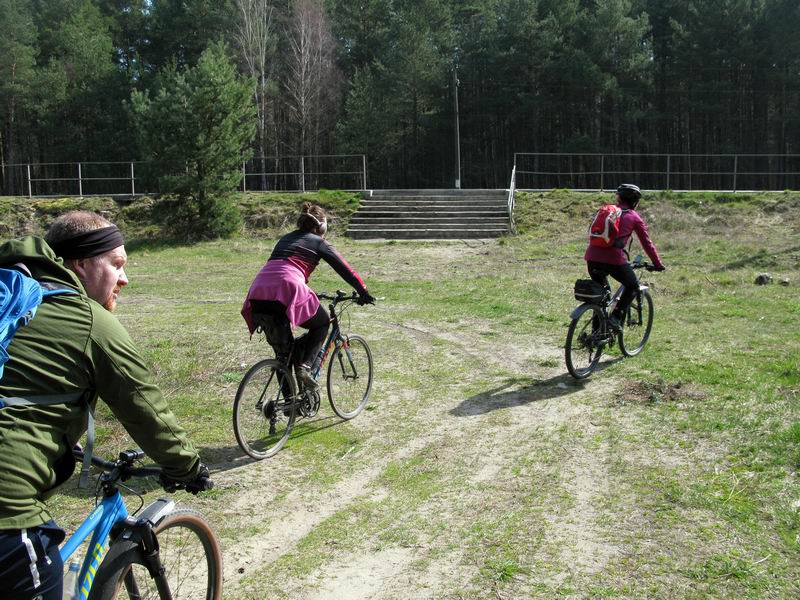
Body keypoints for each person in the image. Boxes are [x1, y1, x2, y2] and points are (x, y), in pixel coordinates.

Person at [0, 211, 209, 600]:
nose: (125, 278)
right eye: (117, 265)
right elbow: (144, 405)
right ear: (80, 263)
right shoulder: (88, 320)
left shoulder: (9, 301)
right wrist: (187, 467)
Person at [242, 202, 374, 389]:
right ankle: (305, 368)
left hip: (258, 292)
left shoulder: (285, 238)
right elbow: (346, 270)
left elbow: (282, 266)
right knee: (322, 323)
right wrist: (364, 292)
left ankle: (289, 406)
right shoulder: (319, 242)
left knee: (284, 355)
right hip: (287, 289)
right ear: (321, 226)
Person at [584, 184, 665, 330]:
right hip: (614, 260)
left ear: (619, 197)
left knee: (601, 296)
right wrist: (657, 264)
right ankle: (615, 318)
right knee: (633, 286)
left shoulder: (607, 211)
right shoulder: (634, 217)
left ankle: (596, 335)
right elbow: (647, 243)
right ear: (635, 201)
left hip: (591, 257)